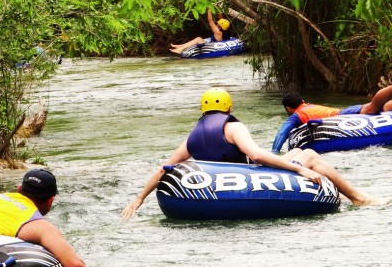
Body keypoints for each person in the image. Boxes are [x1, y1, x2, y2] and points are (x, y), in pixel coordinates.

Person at [121, 88, 390, 221]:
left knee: (296, 151)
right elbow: (255, 155)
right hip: (248, 177)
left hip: (216, 186)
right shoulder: (232, 125)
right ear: (228, 108)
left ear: (203, 110)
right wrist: (300, 170)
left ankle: (340, 193)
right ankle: (359, 198)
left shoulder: (192, 137)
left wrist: (138, 199)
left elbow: (163, 170)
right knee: (306, 155)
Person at [271, 88, 392, 154]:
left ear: (288, 109)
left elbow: (282, 133)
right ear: (302, 101)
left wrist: (274, 152)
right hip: (344, 112)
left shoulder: (296, 115)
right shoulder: (309, 106)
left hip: (342, 116)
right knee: (386, 107)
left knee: (372, 108)